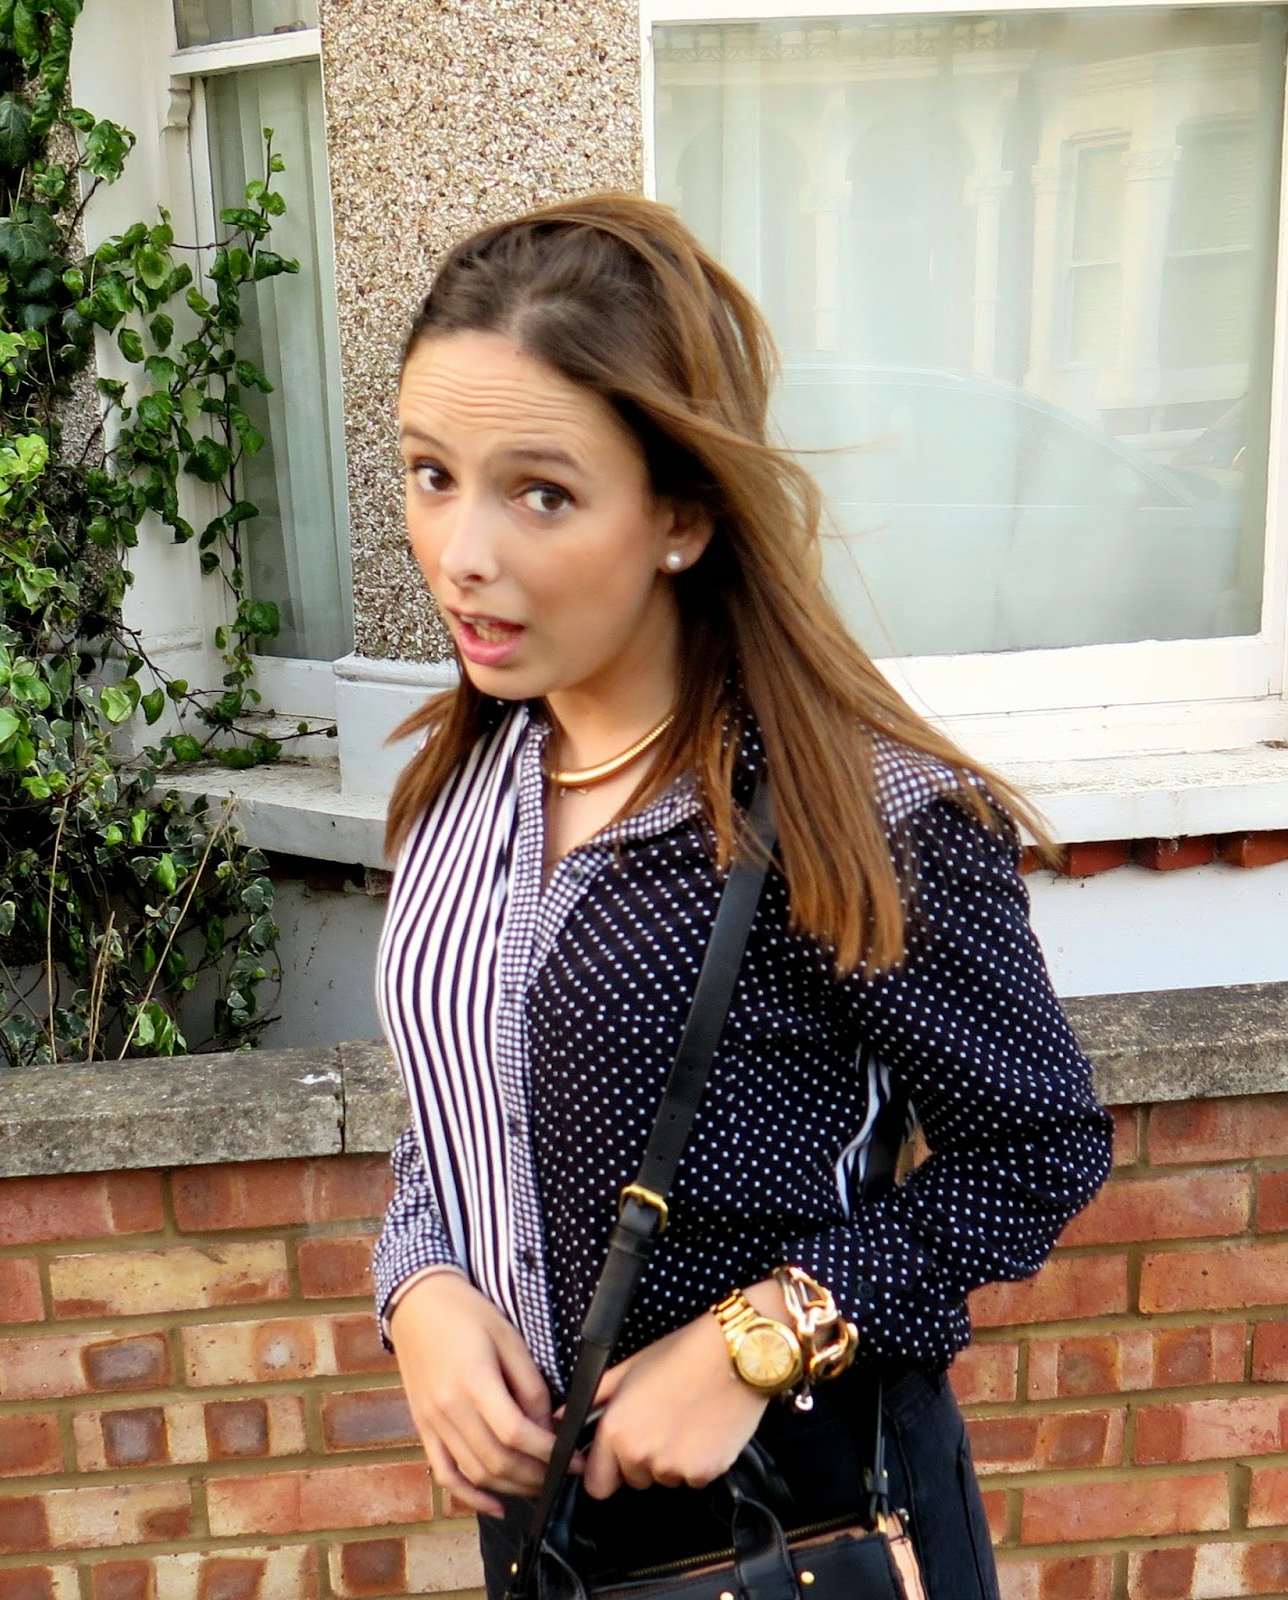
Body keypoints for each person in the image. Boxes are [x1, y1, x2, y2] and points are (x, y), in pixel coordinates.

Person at [371, 192, 1114, 1600]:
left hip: (805, 1530)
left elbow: (1038, 1148)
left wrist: (761, 1338)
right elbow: (464, 1101)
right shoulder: (466, 779)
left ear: (683, 516)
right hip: (550, 1539)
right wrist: (419, 1291)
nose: (463, 552)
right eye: (430, 474)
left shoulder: (856, 815)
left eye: (542, 493)